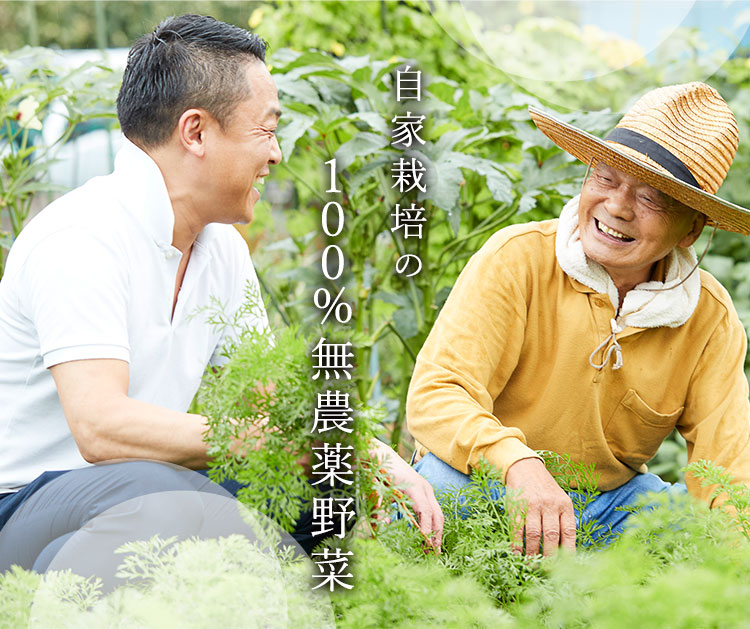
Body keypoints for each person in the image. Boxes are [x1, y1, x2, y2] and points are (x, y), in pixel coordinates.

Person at [0, 14, 442, 573]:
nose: (277, 153)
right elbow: (101, 428)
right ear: (196, 132)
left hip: (141, 492)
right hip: (22, 511)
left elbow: (267, 398)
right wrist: (271, 442)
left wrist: (364, 451)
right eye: (266, 129)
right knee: (156, 489)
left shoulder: (222, 248)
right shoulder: (81, 235)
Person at [406, 82, 750, 557]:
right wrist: (517, 464)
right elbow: (435, 396)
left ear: (691, 227)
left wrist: (730, 568)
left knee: (688, 535)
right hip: (489, 483)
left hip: (609, 509)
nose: (617, 207)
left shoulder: (708, 318)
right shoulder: (518, 259)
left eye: (651, 198)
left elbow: (727, 470)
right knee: (438, 494)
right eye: (606, 178)